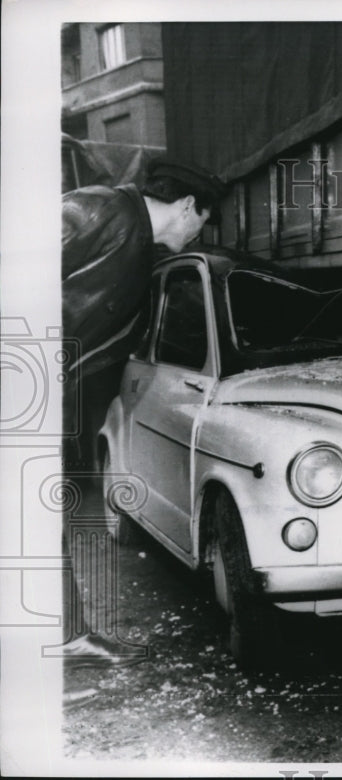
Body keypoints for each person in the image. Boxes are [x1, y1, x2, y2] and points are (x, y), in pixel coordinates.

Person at [60, 157, 226, 667]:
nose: (200, 233)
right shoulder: (97, 209)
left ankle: (67, 638)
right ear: (186, 206)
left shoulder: (141, 248)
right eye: (204, 220)